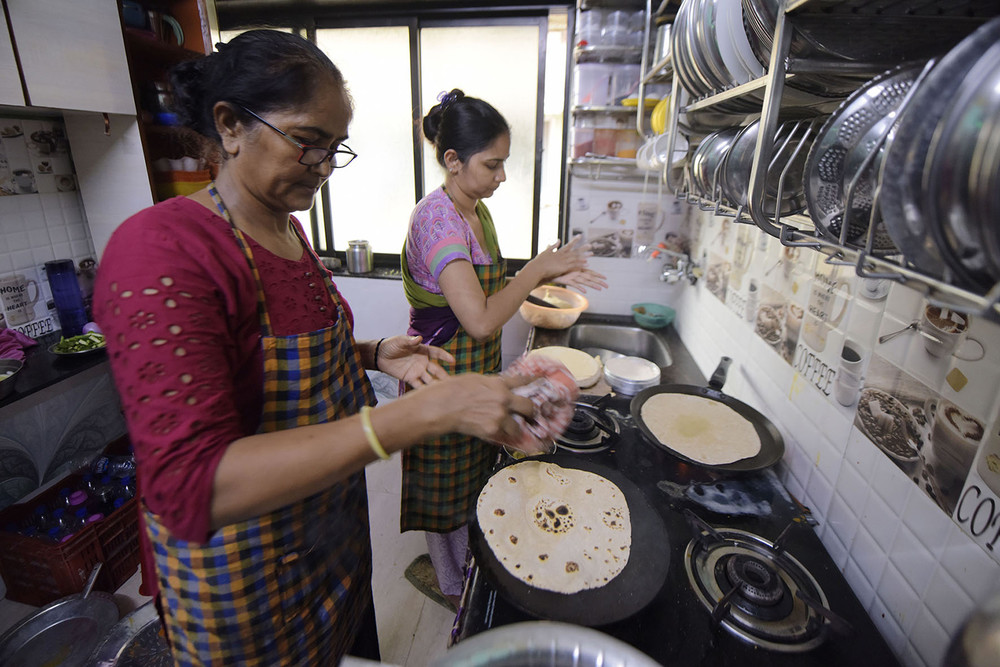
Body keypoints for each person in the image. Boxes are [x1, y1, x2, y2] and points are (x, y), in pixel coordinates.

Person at [93, 32, 539, 666]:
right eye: (308, 142)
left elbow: (270, 352)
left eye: (336, 148)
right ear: (230, 126)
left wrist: (374, 350)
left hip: (330, 541)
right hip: (242, 583)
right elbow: (195, 483)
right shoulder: (164, 249)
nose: (325, 166)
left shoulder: (287, 231)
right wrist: (421, 415)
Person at [400, 89, 607, 607]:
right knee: (444, 485)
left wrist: (540, 277)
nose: (502, 176)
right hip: (441, 371)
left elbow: (488, 291)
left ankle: (467, 564)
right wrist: (536, 270)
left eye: (504, 163)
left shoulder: (475, 211)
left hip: (475, 369)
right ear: (453, 160)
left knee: (471, 471)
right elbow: (480, 319)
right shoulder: (438, 219)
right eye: (493, 164)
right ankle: (451, 585)